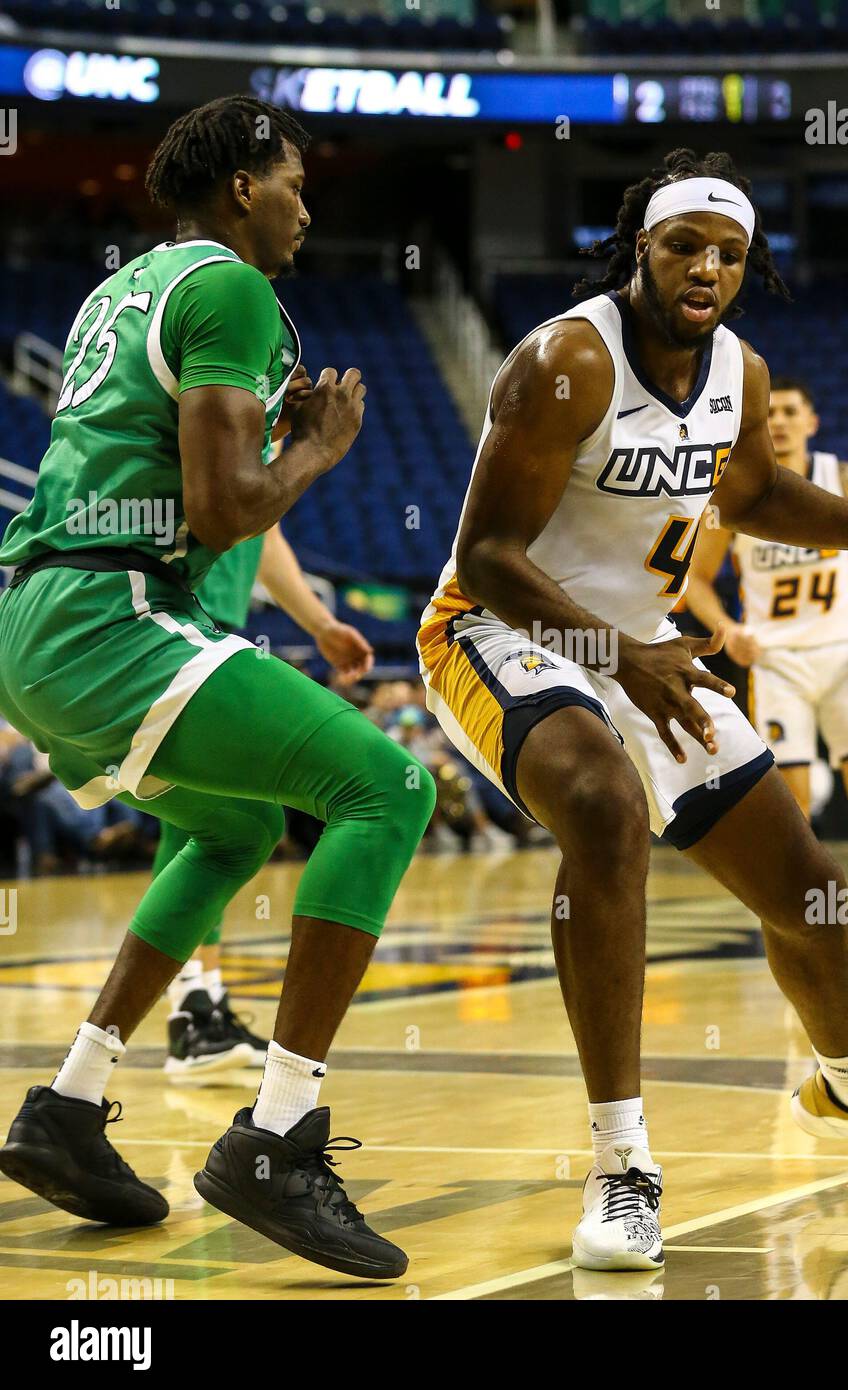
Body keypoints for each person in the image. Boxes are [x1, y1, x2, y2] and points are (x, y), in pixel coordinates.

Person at [417, 148, 848, 1273]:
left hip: (645, 655)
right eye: (686, 245)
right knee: (600, 805)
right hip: (498, 635)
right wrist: (617, 653)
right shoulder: (565, 361)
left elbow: (762, 495)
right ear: (643, 246)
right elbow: (483, 558)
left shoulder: (740, 369)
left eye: (729, 254)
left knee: (820, 902)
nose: (707, 268)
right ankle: (622, 1165)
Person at [0, 96, 435, 1281]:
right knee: (388, 785)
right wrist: (320, 450)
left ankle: (68, 1106)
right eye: (294, 179)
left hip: (38, 620)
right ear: (243, 184)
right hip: (111, 617)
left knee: (234, 822)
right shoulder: (234, 290)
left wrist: (273, 480)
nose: (307, 203)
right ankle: (280, 1136)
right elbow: (220, 508)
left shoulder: (124, 291)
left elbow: (189, 480)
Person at [685, 377, 848, 990]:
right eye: (770, 412)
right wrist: (727, 628)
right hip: (778, 664)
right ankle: (807, 932)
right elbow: (694, 582)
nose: (779, 420)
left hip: (844, 657)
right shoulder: (735, 493)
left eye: (790, 411)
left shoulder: (843, 478)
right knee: (798, 811)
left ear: (812, 421)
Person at [162, 508, 377, 1076]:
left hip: (216, 624)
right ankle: (189, 1011)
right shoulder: (223, 417)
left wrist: (320, 624)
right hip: (166, 612)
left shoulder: (259, 433)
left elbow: (264, 529)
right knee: (204, 820)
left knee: (227, 818)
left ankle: (202, 1000)